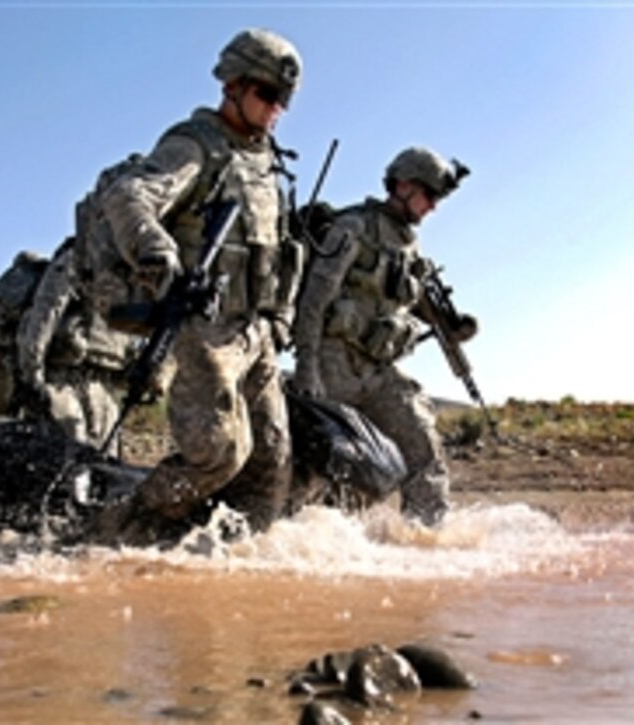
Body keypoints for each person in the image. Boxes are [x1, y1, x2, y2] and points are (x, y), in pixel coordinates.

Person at [89, 28, 305, 545]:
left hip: (254, 333)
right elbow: (129, 196)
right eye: (268, 95)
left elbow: (274, 255)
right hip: (203, 328)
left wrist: (278, 317)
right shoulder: (196, 146)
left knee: (272, 461)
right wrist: (157, 253)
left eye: (285, 100)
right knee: (219, 453)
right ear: (233, 85)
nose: (277, 109)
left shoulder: (264, 167)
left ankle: (232, 552)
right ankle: (120, 526)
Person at [292, 146, 470, 526]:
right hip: (332, 365)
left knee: (424, 450)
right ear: (403, 186)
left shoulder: (410, 247)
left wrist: (454, 327)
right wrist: (307, 368)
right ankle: (301, 539)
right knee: (322, 465)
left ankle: (425, 543)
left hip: (379, 372)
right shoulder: (354, 227)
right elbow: (314, 301)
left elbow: (415, 302)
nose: (433, 208)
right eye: (429, 196)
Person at [14, 241, 139, 453]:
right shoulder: (77, 259)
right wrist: (33, 376)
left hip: (104, 387)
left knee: (107, 470)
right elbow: (43, 317)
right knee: (69, 467)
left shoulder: (132, 271)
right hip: (63, 382)